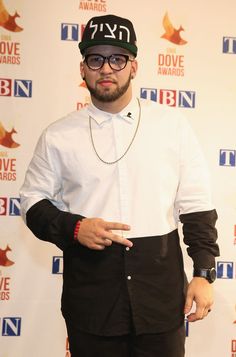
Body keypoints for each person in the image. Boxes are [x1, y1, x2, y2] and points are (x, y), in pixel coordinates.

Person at [20, 14, 220, 357]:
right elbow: (31, 202)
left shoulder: (171, 125)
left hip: (160, 297)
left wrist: (203, 273)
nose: (107, 68)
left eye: (118, 58)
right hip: (92, 301)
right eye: (96, 59)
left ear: (134, 66)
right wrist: (75, 227)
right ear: (83, 69)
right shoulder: (57, 136)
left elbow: (196, 205)